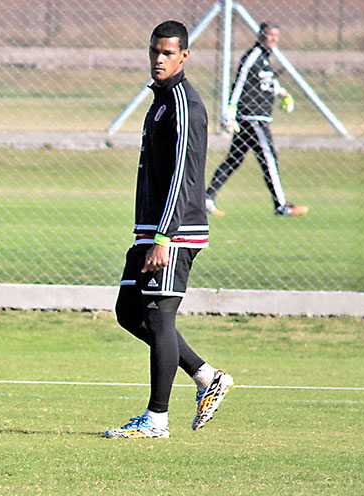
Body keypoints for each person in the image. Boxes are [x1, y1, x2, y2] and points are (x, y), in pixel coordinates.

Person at [105, 20, 233, 439]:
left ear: (184, 56)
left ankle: (156, 419)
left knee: (160, 319)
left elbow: (183, 174)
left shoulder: (183, 103)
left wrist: (164, 237)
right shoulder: (161, 101)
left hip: (173, 232)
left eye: (168, 53)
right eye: (154, 51)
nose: (159, 59)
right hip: (151, 229)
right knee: (129, 313)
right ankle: (205, 375)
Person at [205, 23, 307, 218]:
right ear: (261, 35)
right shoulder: (253, 56)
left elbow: (265, 81)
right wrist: (230, 109)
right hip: (252, 117)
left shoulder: (265, 59)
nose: (273, 39)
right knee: (268, 158)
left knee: (234, 159)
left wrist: (282, 93)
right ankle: (281, 205)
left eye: (276, 36)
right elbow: (240, 82)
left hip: (258, 117)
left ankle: (208, 198)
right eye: (270, 35)